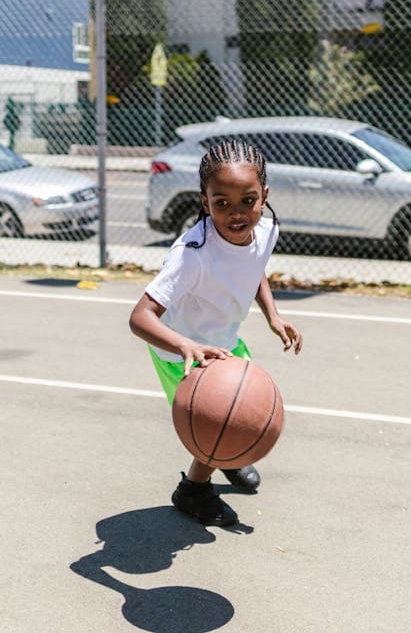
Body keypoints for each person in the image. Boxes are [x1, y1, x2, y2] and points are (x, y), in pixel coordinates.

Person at [129, 139, 303, 526]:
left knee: (237, 413)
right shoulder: (192, 254)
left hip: (224, 341)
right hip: (180, 350)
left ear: (264, 196)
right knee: (216, 418)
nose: (236, 213)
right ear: (205, 203)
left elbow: (253, 266)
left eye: (248, 201)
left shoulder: (266, 230)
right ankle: (193, 490)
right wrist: (185, 345)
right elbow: (140, 317)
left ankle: (228, 452)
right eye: (222, 202)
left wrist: (273, 315)